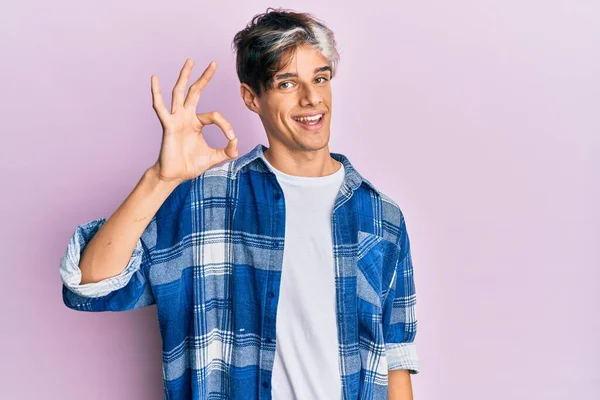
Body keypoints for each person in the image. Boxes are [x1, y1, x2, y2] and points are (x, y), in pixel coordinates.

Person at [59, 8, 419, 400]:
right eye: (286, 83)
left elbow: (395, 361)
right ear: (251, 97)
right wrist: (161, 179)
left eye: (320, 78)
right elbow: (90, 286)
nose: (311, 97)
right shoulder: (204, 201)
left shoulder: (381, 216)